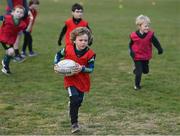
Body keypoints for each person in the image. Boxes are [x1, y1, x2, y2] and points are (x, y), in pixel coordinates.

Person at [54, 27, 96, 133]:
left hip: (82, 81)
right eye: (80, 40)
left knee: (78, 102)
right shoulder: (68, 48)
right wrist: (56, 63)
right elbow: (58, 54)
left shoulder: (90, 54)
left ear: (89, 41)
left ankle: (73, 104)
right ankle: (74, 124)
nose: (83, 42)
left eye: (85, 40)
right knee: (74, 98)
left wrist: (82, 68)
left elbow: (91, 69)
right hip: (70, 79)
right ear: (74, 40)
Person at [129, 14, 163, 90]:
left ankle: (136, 69)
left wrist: (159, 49)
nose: (147, 28)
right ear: (139, 26)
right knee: (139, 71)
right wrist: (131, 52)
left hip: (145, 56)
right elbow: (130, 45)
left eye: (148, 26)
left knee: (146, 71)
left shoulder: (150, 35)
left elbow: (156, 42)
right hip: (137, 56)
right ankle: (136, 86)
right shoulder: (133, 35)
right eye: (145, 26)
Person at [0, 5, 33, 75]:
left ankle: (5, 66)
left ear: (23, 15)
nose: (19, 13)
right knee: (11, 52)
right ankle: (5, 65)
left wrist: (31, 21)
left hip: (11, 41)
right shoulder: (7, 18)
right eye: (17, 11)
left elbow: (27, 31)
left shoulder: (22, 24)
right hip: (3, 38)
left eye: (21, 12)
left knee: (10, 53)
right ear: (13, 12)